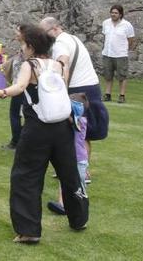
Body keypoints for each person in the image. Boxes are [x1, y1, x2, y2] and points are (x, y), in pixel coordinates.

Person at [0, 24, 89, 244]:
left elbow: (19, 87)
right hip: (62, 126)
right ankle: (79, 218)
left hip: (37, 128)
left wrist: (0, 92)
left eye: (22, 44)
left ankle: (29, 230)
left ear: (31, 46)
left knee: (26, 176)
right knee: (69, 174)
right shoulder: (59, 65)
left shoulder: (29, 65)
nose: (21, 48)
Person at [40, 16, 108, 181]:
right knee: (77, 134)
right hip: (90, 88)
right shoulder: (73, 38)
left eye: (44, 33)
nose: (43, 38)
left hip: (78, 91)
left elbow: (64, 61)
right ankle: (71, 169)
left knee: (80, 134)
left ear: (55, 29)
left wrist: (59, 87)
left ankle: (82, 172)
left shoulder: (60, 44)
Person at [48, 92, 90, 216]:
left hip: (79, 160)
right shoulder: (72, 121)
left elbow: (72, 120)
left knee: (80, 184)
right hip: (70, 158)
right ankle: (62, 204)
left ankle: (81, 203)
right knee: (64, 181)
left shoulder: (81, 121)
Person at [0, 24, 29, 150]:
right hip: (20, 84)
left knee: (16, 114)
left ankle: (17, 142)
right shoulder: (24, 48)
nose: (15, 33)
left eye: (18, 31)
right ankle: (19, 141)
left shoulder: (27, 48)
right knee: (20, 114)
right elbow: (11, 62)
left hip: (22, 86)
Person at [101, 5, 136, 104]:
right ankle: (107, 94)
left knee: (122, 76)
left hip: (120, 54)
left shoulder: (127, 25)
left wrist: (124, 49)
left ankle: (122, 96)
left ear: (120, 14)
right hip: (107, 53)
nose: (113, 14)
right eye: (112, 12)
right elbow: (105, 37)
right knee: (108, 76)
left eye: (116, 13)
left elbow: (131, 40)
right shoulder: (106, 23)